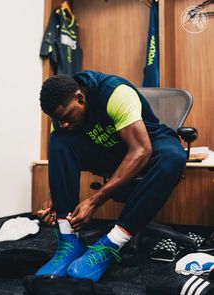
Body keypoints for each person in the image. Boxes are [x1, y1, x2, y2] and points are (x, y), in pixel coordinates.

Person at [36, 70, 186, 282]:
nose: (64, 123)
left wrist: (95, 201)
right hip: (108, 152)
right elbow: (63, 156)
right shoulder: (63, 119)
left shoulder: (115, 93)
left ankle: (112, 244)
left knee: (173, 157)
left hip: (147, 144)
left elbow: (141, 151)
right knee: (59, 140)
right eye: (58, 119)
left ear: (80, 97)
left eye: (68, 116)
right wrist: (56, 199)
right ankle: (68, 241)